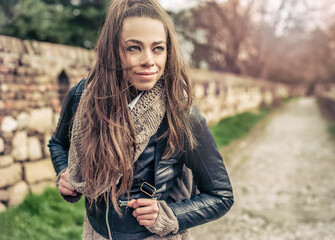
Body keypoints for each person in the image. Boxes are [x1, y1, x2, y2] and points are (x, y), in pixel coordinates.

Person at [48, 0, 233, 239]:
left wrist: (170, 215)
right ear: (113, 50)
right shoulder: (83, 96)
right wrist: (64, 172)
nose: (149, 60)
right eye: (134, 48)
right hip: (93, 233)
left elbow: (221, 195)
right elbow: (57, 143)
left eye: (158, 48)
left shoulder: (180, 112)